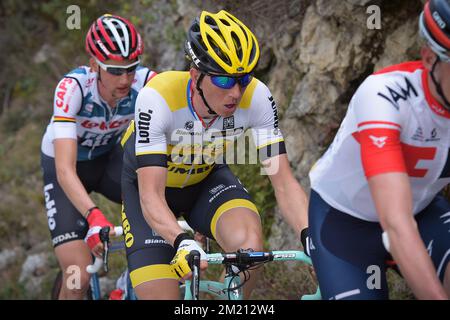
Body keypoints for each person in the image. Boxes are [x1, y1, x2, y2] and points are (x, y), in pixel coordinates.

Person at [120, 9, 309, 299]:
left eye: (243, 79)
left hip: (206, 182)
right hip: (150, 195)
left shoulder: (257, 97)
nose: (235, 92)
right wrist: (181, 241)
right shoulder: (157, 98)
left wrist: (312, 239)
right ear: (195, 75)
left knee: (251, 249)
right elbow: (151, 196)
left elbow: (284, 183)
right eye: (223, 81)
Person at [308, 0, 450, 300]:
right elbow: (396, 224)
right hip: (344, 222)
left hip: (423, 212)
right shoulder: (383, 96)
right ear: (428, 58)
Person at [41, 14, 156, 299]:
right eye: (116, 71)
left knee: (159, 206)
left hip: (107, 161)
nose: (126, 79)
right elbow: (65, 170)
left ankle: (128, 284)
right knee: (78, 275)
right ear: (94, 66)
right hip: (66, 169)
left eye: (131, 69)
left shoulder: (147, 83)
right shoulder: (73, 88)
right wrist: (94, 216)